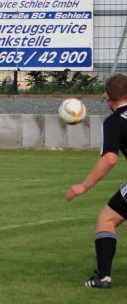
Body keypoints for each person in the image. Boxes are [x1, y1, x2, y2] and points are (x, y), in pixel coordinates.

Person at [67, 73, 127, 289]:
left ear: (107, 97)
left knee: (106, 219)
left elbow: (110, 159)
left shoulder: (114, 122)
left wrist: (83, 186)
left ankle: (103, 279)